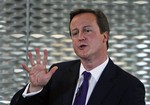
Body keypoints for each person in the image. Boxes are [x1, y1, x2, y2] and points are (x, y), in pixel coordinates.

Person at [10, 8, 145, 105]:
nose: (80, 37)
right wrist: (35, 88)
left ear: (105, 36)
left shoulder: (130, 87)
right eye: (75, 33)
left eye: (87, 30)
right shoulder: (57, 73)